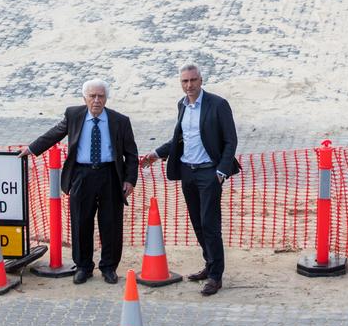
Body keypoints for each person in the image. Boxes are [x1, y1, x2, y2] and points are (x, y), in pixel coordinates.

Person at [19, 79, 138, 285]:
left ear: (106, 98)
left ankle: (109, 267)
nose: (97, 100)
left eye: (101, 96)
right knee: (81, 222)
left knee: (111, 224)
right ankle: (83, 266)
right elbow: (54, 134)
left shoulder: (120, 121)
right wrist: (31, 149)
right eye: (92, 96)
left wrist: (129, 179)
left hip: (110, 175)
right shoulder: (74, 115)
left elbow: (131, 154)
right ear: (85, 98)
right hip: (82, 175)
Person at [141, 63, 239, 296]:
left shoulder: (218, 104)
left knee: (209, 223)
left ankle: (216, 276)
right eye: (185, 81)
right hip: (188, 171)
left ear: (201, 80)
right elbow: (180, 138)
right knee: (197, 222)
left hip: (209, 173)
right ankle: (209, 264)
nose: (189, 85)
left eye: (193, 80)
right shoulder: (182, 105)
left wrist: (221, 172)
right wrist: (156, 154)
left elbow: (230, 141)